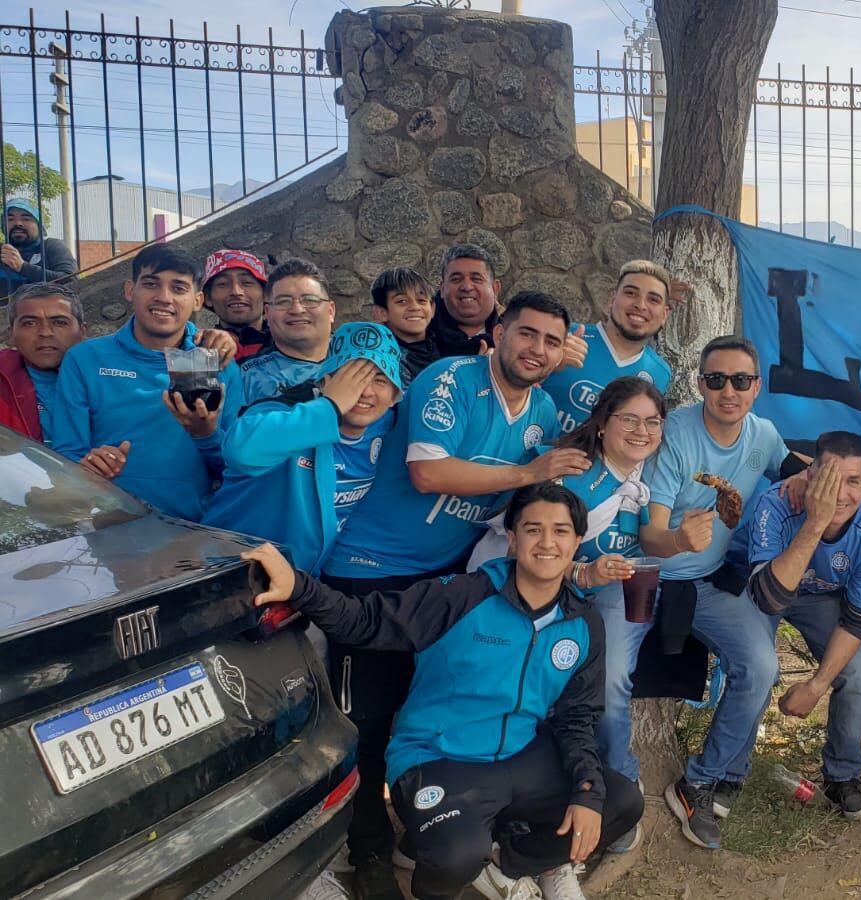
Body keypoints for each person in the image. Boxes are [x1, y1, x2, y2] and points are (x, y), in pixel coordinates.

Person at [242, 481, 645, 900]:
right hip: (437, 758)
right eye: (533, 529)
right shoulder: (463, 596)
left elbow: (577, 718)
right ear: (512, 537)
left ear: (578, 540)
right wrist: (300, 588)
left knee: (620, 800)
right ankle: (449, 868)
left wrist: (586, 792)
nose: (547, 542)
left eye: (561, 531)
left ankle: (507, 863)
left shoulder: (583, 621)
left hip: (521, 756)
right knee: (455, 857)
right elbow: (366, 620)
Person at [319, 291, 579, 899]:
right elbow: (428, 472)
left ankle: (426, 834)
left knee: (438, 709)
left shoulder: (542, 411)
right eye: (526, 334)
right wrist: (527, 473)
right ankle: (368, 852)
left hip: (450, 578)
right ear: (499, 332)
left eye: (550, 340)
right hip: (369, 570)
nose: (536, 349)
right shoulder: (452, 377)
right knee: (368, 722)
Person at [633, 335, 808, 851]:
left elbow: (790, 467)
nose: (728, 390)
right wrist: (678, 541)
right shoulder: (678, 436)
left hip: (710, 579)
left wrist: (828, 476)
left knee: (760, 666)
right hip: (653, 577)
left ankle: (702, 779)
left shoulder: (763, 434)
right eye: (716, 380)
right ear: (700, 384)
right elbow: (650, 534)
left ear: (756, 387)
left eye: (740, 380)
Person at [739, 431, 861, 823]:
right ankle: (729, 772)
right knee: (758, 665)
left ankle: (841, 776)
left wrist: (815, 685)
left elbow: (856, 622)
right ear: (809, 476)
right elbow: (768, 597)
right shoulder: (776, 504)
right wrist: (816, 520)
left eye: (853, 481)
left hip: (818, 601)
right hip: (762, 588)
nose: (840, 493)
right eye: (828, 479)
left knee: (856, 674)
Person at [53, 243, 242, 520]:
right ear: (131, 290)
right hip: (108, 529)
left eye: (179, 288)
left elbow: (235, 468)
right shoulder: (85, 359)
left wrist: (205, 435)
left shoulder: (219, 362)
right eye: (151, 284)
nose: (164, 297)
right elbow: (66, 455)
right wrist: (91, 466)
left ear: (198, 300)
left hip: (192, 533)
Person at [203, 322, 404, 574]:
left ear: (395, 393)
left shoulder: (387, 423)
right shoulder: (287, 413)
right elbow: (239, 451)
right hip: (231, 572)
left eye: (380, 380)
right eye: (349, 378)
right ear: (325, 380)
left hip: (302, 585)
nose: (365, 392)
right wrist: (331, 407)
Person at [541, 259, 675, 435]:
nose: (640, 305)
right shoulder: (564, 336)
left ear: (665, 314)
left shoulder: (660, 373)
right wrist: (547, 366)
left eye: (653, 299)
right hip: (534, 459)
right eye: (630, 293)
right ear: (612, 299)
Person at [237, 258, 335, 406]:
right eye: (283, 301)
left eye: (310, 300)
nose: (297, 310)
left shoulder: (362, 362)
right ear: (267, 313)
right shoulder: (247, 377)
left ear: (330, 311)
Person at [0, 282, 86, 444]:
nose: (45, 332)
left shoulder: (111, 380)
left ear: (82, 332)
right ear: (11, 333)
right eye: (30, 323)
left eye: (59, 322)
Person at [427, 244, 502, 358]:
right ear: (442, 289)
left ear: (495, 288)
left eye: (476, 279)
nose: (467, 287)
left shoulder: (511, 340)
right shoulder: (418, 341)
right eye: (456, 279)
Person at [370, 266, 438, 381]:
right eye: (402, 301)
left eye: (421, 300)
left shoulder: (446, 347)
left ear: (432, 309)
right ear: (381, 312)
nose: (415, 307)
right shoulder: (380, 359)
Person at [201, 249, 271, 360]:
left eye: (247, 283)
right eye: (223, 284)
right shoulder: (199, 350)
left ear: (266, 294)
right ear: (208, 297)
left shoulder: (288, 342)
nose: (236, 292)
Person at [1, 198, 77, 298]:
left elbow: (71, 281)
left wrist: (23, 267)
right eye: (10, 219)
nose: (17, 223)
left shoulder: (51, 246)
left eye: (26, 219)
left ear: (39, 225)